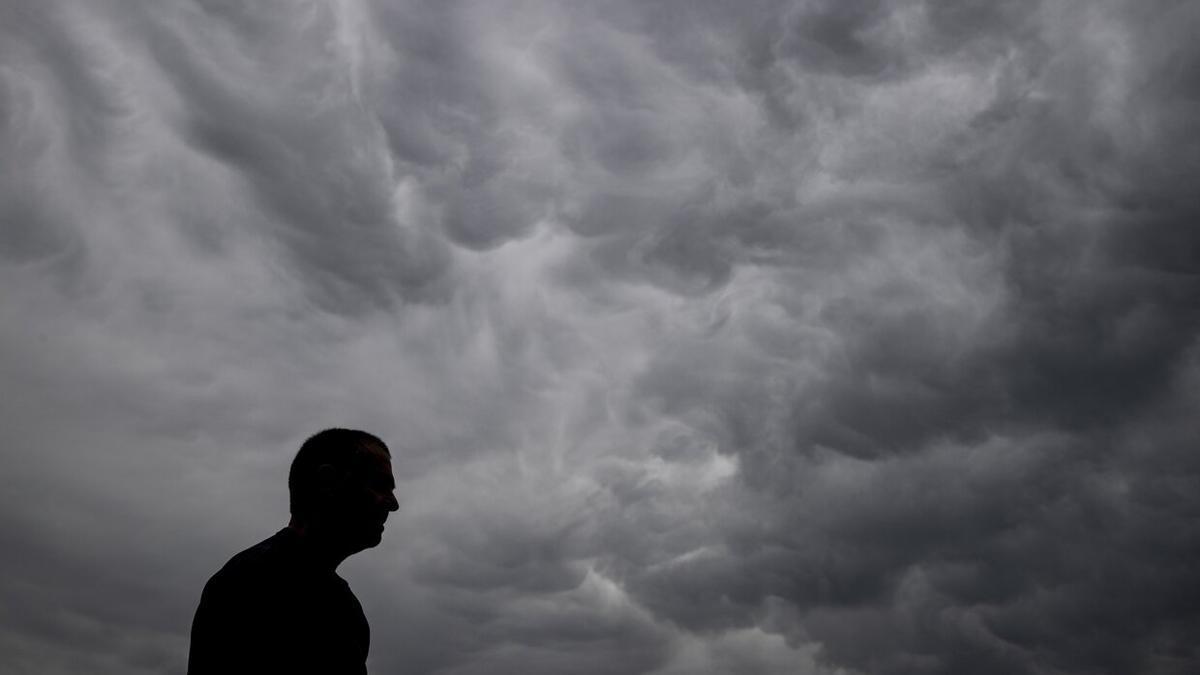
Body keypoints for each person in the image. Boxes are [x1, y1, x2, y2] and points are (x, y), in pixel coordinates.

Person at [188, 428, 399, 674]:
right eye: (380, 486)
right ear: (328, 482)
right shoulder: (249, 583)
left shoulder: (344, 605)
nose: (393, 504)